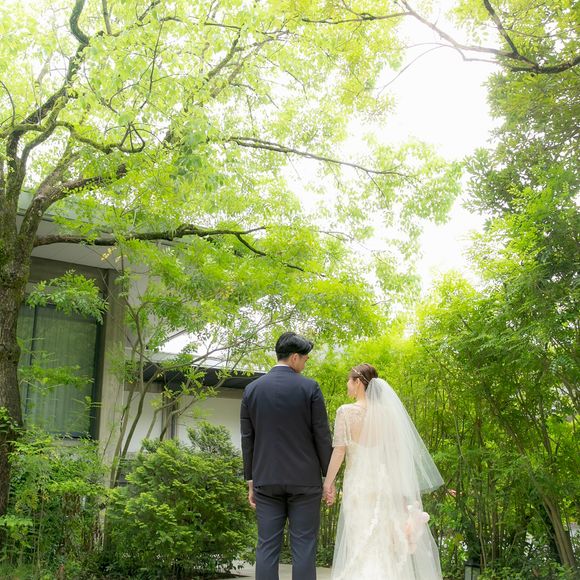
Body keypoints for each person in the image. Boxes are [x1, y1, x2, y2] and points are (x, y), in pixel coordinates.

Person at [323, 363, 444, 580]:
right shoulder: (388, 414)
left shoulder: (346, 412)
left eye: (349, 380)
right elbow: (395, 454)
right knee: (382, 545)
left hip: (358, 487)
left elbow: (339, 451)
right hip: (383, 485)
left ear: (358, 382)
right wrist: (401, 491)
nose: (347, 385)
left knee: (360, 542)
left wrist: (328, 482)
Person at [240, 332, 333, 580]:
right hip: (305, 481)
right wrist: (329, 478)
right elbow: (322, 435)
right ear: (294, 357)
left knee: (267, 546)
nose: (306, 362)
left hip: (266, 479)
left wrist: (250, 481)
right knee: (304, 546)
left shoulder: (252, 390)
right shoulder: (310, 388)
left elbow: (247, 439)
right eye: (305, 358)